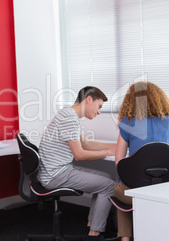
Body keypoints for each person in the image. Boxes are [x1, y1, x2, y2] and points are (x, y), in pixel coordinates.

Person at [37, 86, 117, 241]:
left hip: (56, 171)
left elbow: (85, 144)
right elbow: (79, 154)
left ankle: (92, 223)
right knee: (108, 185)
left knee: (107, 176)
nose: (99, 111)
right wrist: (108, 153)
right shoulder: (69, 118)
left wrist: (114, 146)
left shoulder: (69, 114)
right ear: (89, 100)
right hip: (56, 175)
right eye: (99, 106)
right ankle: (95, 233)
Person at [114, 81, 169, 241]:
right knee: (129, 186)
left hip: (136, 190)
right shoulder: (168, 120)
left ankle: (125, 238)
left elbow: (119, 163)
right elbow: (162, 149)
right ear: (158, 98)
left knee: (121, 186)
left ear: (130, 100)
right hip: (162, 188)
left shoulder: (127, 122)